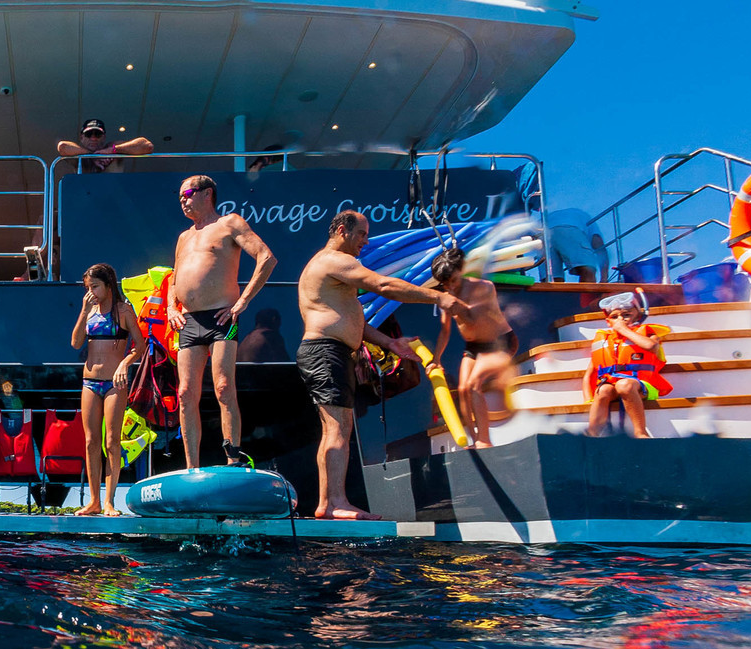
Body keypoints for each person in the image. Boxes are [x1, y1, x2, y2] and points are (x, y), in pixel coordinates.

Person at [295, 209, 447, 519]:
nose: (366, 240)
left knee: (335, 430)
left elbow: (355, 321)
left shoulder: (334, 269)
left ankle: (329, 503)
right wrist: (439, 298)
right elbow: (385, 287)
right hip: (325, 352)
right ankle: (335, 503)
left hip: (330, 352)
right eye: (362, 233)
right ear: (342, 231)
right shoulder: (334, 261)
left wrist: (390, 343)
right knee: (338, 429)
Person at [167, 175, 276, 471]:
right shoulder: (184, 237)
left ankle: (233, 459)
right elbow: (174, 277)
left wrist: (242, 302)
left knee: (224, 387)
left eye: (187, 193)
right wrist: (170, 308)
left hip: (220, 316)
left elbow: (266, 258)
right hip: (188, 319)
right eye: (179, 197)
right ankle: (192, 466)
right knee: (185, 393)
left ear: (207, 194)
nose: (183, 200)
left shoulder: (229, 223)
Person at [70, 262, 146, 515]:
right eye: (88, 287)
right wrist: (83, 310)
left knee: (112, 441)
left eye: (95, 286)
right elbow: (76, 342)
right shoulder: (89, 312)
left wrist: (125, 362)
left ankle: (110, 502)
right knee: (91, 440)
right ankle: (93, 500)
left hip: (115, 382)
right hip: (90, 381)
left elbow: (140, 345)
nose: (91, 291)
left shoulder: (123, 311)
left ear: (108, 285)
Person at [431, 245, 518, 447]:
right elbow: (445, 331)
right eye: (445, 285)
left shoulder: (484, 287)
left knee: (474, 385)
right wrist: (436, 360)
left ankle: (485, 440)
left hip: (500, 343)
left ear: (461, 272)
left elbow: (474, 320)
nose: (450, 288)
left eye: (452, 281)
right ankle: (474, 438)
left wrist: (456, 304)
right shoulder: (448, 296)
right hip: (474, 346)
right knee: (462, 388)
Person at [584, 289, 671, 438]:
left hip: (642, 386)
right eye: (615, 317)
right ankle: (592, 434)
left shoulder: (649, 335)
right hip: (612, 385)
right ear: (608, 321)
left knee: (624, 385)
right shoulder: (604, 341)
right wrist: (588, 399)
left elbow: (650, 346)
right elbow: (589, 374)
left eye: (626, 315)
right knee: (603, 390)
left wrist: (623, 330)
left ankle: (640, 432)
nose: (620, 320)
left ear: (638, 315)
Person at [56, 119, 155, 173]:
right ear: (82, 137)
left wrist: (113, 150)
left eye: (97, 134)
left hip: (114, 199)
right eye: (89, 134)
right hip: (87, 200)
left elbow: (147, 146)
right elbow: (63, 147)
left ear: (103, 137)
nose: (93, 138)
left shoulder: (113, 147)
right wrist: (93, 156)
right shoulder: (79, 155)